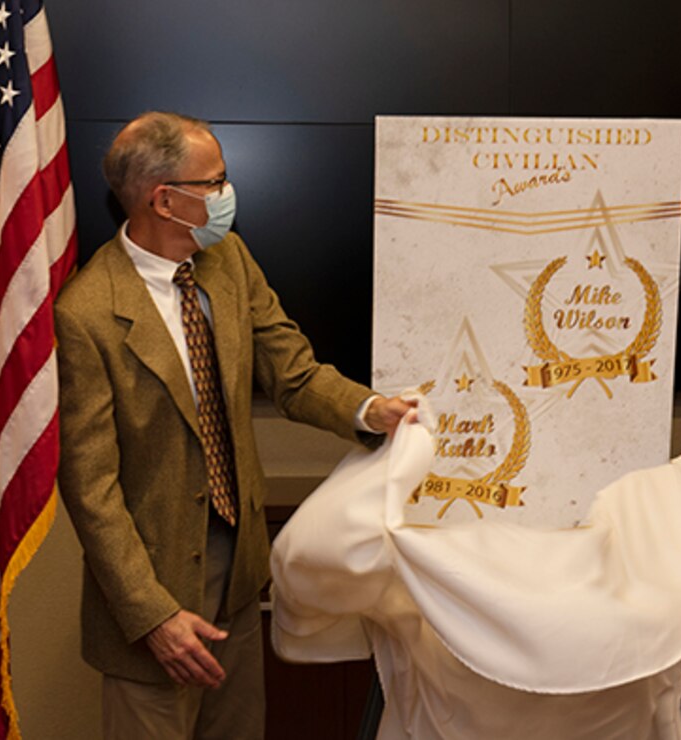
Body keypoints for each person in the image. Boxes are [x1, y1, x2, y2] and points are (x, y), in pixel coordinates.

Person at [54, 110, 413, 739]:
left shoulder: (228, 261)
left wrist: (371, 410)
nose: (227, 195)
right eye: (214, 182)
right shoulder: (85, 313)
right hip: (153, 602)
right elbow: (92, 490)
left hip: (240, 582)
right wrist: (153, 616)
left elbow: (293, 372)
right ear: (164, 200)